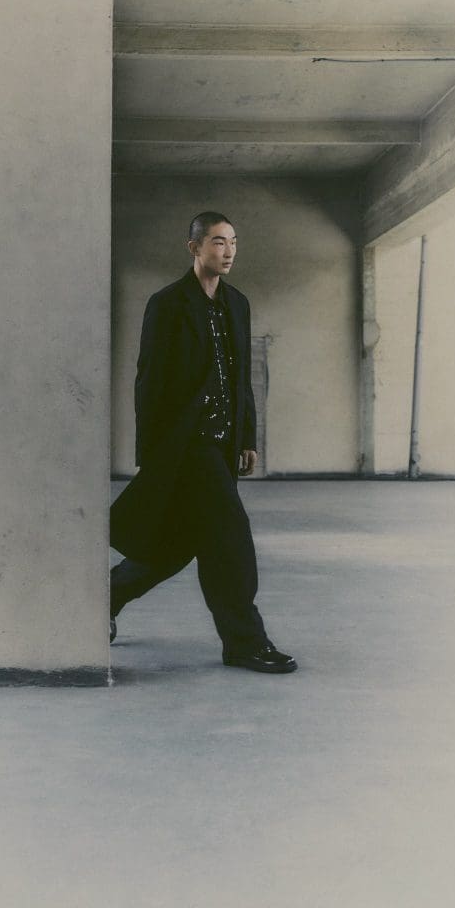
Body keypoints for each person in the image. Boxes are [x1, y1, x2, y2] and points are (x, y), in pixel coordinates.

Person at [109, 211, 297, 674]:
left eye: (233, 242)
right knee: (231, 538)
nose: (228, 251)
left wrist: (246, 436)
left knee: (181, 541)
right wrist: (152, 457)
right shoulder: (167, 304)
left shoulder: (237, 304)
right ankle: (245, 641)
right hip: (186, 445)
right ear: (194, 248)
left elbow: (240, 378)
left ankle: (104, 597)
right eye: (217, 242)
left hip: (222, 444)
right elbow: (148, 381)